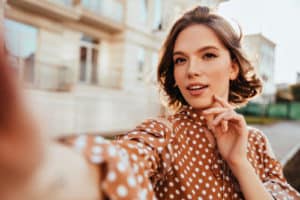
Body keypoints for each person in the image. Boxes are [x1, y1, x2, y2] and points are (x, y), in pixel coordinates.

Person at [1, 6, 299, 200]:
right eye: (180, 59)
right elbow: (120, 160)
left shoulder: (256, 142)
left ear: (233, 67)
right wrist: (37, 171)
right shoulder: (163, 133)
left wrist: (239, 162)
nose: (191, 70)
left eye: (208, 55)